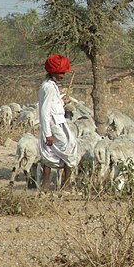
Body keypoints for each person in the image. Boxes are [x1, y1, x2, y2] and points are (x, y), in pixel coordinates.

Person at [39, 54, 78, 191]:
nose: (63, 75)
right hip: (54, 125)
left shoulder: (51, 85)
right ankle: (65, 186)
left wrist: (62, 102)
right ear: (53, 72)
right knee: (70, 150)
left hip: (56, 123)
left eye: (64, 72)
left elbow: (54, 106)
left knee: (49, 153)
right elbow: (45, 111)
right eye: (61, 72)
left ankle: (45, 187)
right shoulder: (49, 87)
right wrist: (47, 134)